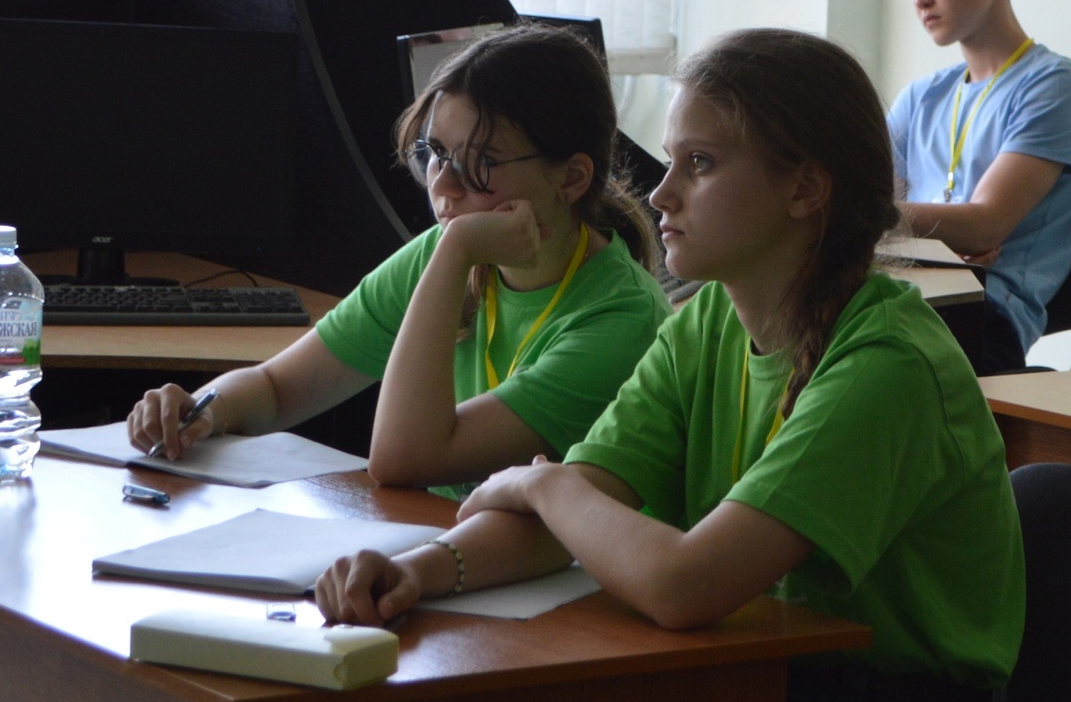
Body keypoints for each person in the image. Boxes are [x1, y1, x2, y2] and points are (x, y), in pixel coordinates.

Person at [311, 28, 1027, 702]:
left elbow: (684, 584)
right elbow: (583, 498)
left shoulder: (886, 364)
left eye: (700, 163)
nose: (660, 193)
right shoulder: (709, 324)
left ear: (804, 189)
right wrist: (421, 570)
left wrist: (546, 487)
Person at [124, 24, 668, 491]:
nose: (443, 187)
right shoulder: (448, 253)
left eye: (481, 164)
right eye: (435, 154)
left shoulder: (620, 322)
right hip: (445, 553)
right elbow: (276, 388)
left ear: (571, 178)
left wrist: (455, 254)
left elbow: (405, 460)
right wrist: (203, 409)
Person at [886, 0, 1071, 374]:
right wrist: (941, 234)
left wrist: (879, 222)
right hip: (905, 291)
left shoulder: (1054, 84)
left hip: (982, 312)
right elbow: (870, 202)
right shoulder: (921, 97)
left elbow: (984, 227)